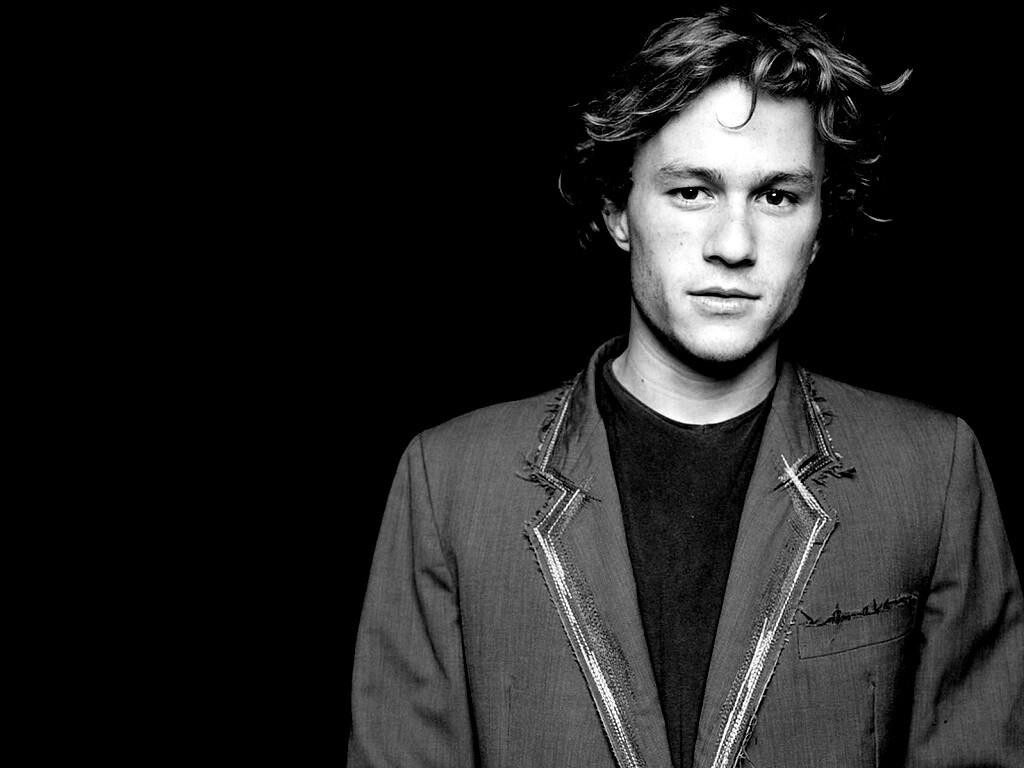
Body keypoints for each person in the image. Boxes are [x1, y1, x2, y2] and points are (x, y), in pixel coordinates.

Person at [347, 7, 1023, 767]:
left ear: (818, 227)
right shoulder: (449, 480)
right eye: (692, 191)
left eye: (776, 197)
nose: (733, 245)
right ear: (617, 210)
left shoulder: (932, 471)